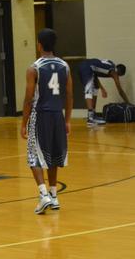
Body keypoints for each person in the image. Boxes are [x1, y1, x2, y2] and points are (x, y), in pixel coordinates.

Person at [20, 29, 73, 214]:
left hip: (40, 114)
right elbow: (69, 95)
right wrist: (67, 120)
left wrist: (23, 123)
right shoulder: (64, 66)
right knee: (52, 156)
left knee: (33, 156)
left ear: (39, 45)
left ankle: (43, 195)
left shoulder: (34, 68)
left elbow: (28, 99)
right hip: (57, 114)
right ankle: (53, 195)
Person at [77, 58, 128, 127]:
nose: (117, 77)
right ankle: (91, 118)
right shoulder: (114, 71)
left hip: (86, 67)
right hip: (87, 67)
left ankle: (93, 114)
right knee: (89, 90)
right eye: (119, 76)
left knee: (95, 88)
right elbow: (120, 91)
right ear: (120, 73)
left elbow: (95, 74)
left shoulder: (110, 64)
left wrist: (102, 88)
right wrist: (128, 102)